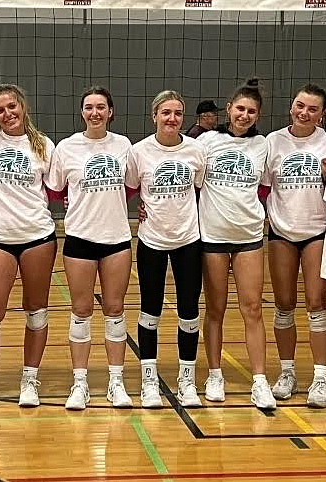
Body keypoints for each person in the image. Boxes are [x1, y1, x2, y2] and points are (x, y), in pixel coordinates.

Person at [0, 84, 57, 414]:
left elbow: (62, 190)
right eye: (0, 110)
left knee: (36, 309)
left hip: (38, 236)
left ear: (23, 106)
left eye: (12, 107)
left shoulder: (44, 145)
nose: (8, 114)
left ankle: (30, 379)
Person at [46, 87, 134, 410]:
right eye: (88, 107)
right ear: (82, 112)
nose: (94, 112)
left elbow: (134, 185)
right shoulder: (67, 147)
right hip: (80, 239)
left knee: (114, 309)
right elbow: (55, 190)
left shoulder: (124, 145)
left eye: (101, 107)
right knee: (81, 311)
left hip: (117, 240)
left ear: (110, 111)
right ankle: (79, 382)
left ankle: (116, 381)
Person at [195, 79, 275, 409]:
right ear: (228, 109)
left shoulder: (264, 146)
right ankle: (215, 374)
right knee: (215, 309)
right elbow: (190, 180)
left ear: (258, 115)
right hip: (212, 235)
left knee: (252, 308)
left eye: (251, 111)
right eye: (240, 108)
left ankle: (259, 380)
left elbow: (268, 186)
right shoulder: (206, 141)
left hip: (249, 237)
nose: (244, 115)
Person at [126, 90, 206, 408]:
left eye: (177, 113)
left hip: (188, 240)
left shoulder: (196, 151)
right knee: (150, 310)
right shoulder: (139, 152)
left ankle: (187, 381)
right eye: (165, 113)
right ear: (155, 116)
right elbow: (130, 189)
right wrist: (141, 210)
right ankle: (149, 381)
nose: (171, 118)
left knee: (189, 311)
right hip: (152, 241)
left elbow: (199, 188)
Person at [263, 84, 326, 408]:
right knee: (283, 304)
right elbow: (263, 188)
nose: (304, 112)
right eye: (299, 105)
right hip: (281, 231)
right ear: (291, 106)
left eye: (312, 108)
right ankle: (287, 372)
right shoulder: (273, 141)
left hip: (317, 231)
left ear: (321, 114)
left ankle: (320, 378)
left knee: (316, 302)